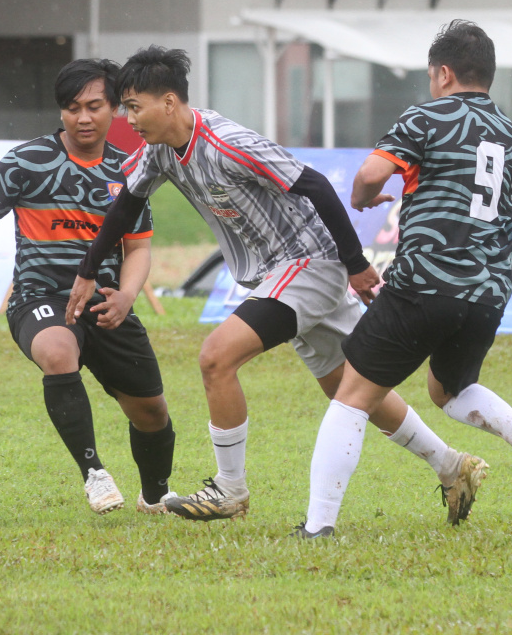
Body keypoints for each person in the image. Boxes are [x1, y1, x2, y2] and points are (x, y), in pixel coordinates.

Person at [66, 45, 485, 525]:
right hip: (278, 274)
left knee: (216, 358)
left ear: (168, 103)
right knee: (349, 390)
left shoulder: (227, 141)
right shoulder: (160, 152)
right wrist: (87, 269)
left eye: (134, 107)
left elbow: (316, 185)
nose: (129, 120)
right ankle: (452, 465)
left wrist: (354, 264)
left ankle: (230, 489)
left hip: (308, 262)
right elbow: (126, 206)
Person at [297, 20, 512, 538]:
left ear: (443, 74)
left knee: (352, 395)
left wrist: (361, 198)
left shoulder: (427, 116)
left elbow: (371, 176)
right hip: (488, 290)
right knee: (448, 390)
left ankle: (319, 527)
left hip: (426, 281)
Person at [0, 58, 177, 516]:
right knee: (57, 351)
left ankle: (154, 496)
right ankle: (94, 473)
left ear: (115, 108)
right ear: (61, 112)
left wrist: (128, 295)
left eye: (94, 106)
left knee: (151, 413)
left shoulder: (131, 167)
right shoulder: (27, 161)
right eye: (72, 108)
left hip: (106, 303)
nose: (83, 118)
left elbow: (138, 247)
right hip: (41, 298)